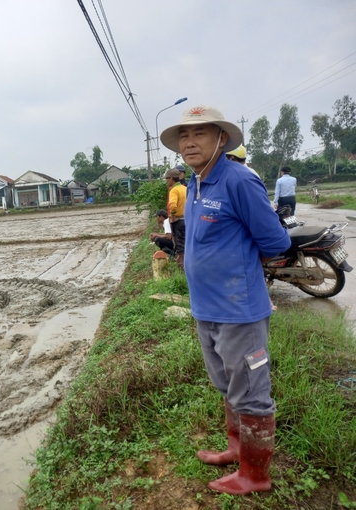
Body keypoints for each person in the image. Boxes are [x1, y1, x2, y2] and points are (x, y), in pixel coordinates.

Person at [160, 105, 290, 495]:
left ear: (221, 138)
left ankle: (255, 474)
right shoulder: (197, 182)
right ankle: (236, 449)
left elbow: (275, 242)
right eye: (184, 135)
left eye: (200, 133)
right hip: (206, 308)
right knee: (226, 384)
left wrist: (241, 271)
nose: (190, 142)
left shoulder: (239, 180)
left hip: (239, 311)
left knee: (251, 390)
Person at [164, 168, 186, 269]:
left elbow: (172, 206)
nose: (166, 181)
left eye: (167, 179)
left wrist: (172, 217)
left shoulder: (174, 190)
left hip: (177, 221)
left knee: (179, 244)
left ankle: (181, 267)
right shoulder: (185, 188)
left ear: (172, 178)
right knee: (186, 242)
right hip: (186, 220)